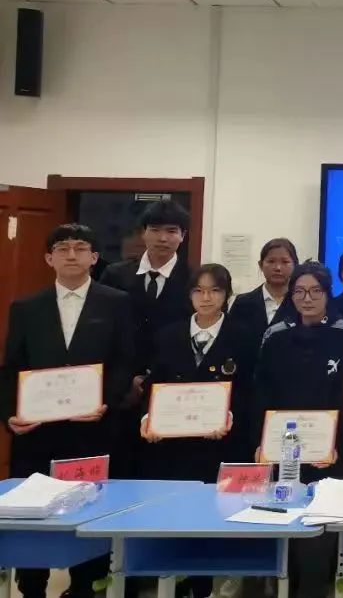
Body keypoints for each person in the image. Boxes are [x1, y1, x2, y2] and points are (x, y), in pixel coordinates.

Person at [0, 224, 135, 598]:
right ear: (49, 258)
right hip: (37, 434)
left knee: (90, 512)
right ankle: (32, 586)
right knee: (32, 515)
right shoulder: (26, 307)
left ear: (94, 257)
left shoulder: (117, 302)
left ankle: (84, 586)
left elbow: (125, 361)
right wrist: (10, 415)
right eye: (62, 248)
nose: (71, 255)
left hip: (93, 430)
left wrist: (106, 401)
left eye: (80, 248)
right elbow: (12, 368)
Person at [140, 263, 253, 598]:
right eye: (199, 291)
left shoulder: (243, 336)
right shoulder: (168, 335)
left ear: (226, 295)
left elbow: (250, 390)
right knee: (177, 514)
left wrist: (230, 416)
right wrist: (148, 419)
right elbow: (153, 385)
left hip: (219, 445)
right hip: (173, 447)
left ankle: (204, 585)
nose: (206, 298)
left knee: (212, 516)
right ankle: (176, 580)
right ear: (189, 295)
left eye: (215, 290)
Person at [253, 262, 343, 598]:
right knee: (284, 517)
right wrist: (262, 441)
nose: (307, 298)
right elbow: (263, 392)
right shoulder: (276, 334)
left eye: (315, 291)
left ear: (327, 294)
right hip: (282, 446)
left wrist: (338, 442)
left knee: (319, 529)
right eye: (299, 291)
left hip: (329, 449)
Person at [99, 198, 192, 382]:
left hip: (172, 380)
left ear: (183, 235)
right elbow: (103, 329)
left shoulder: (193, 281)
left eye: (171, 231)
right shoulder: (115, 275)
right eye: (155, 230)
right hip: (119, 380)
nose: (162, 238)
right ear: (143, 232)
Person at [229, 238, 299, 350]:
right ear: (261, 265)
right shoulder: (242, 303)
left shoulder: (301, 304)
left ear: (295, 265)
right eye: (271, 261)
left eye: (285, 262)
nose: (278, 268)